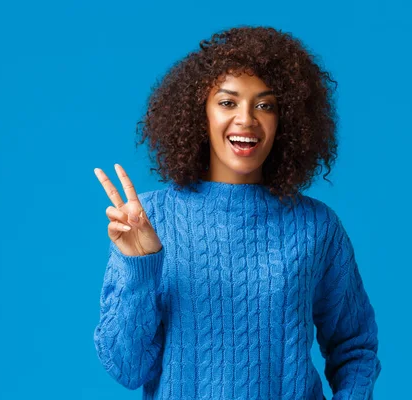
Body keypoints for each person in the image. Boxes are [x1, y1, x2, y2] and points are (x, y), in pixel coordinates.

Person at [93, 26, 381, 400]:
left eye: (265, 105)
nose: (246, 119)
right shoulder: (149, 220)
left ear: (286, 120)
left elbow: (356, 348)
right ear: (201, 114)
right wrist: (140, 267)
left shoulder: (316, 227)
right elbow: (127, 368)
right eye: (228, 102)